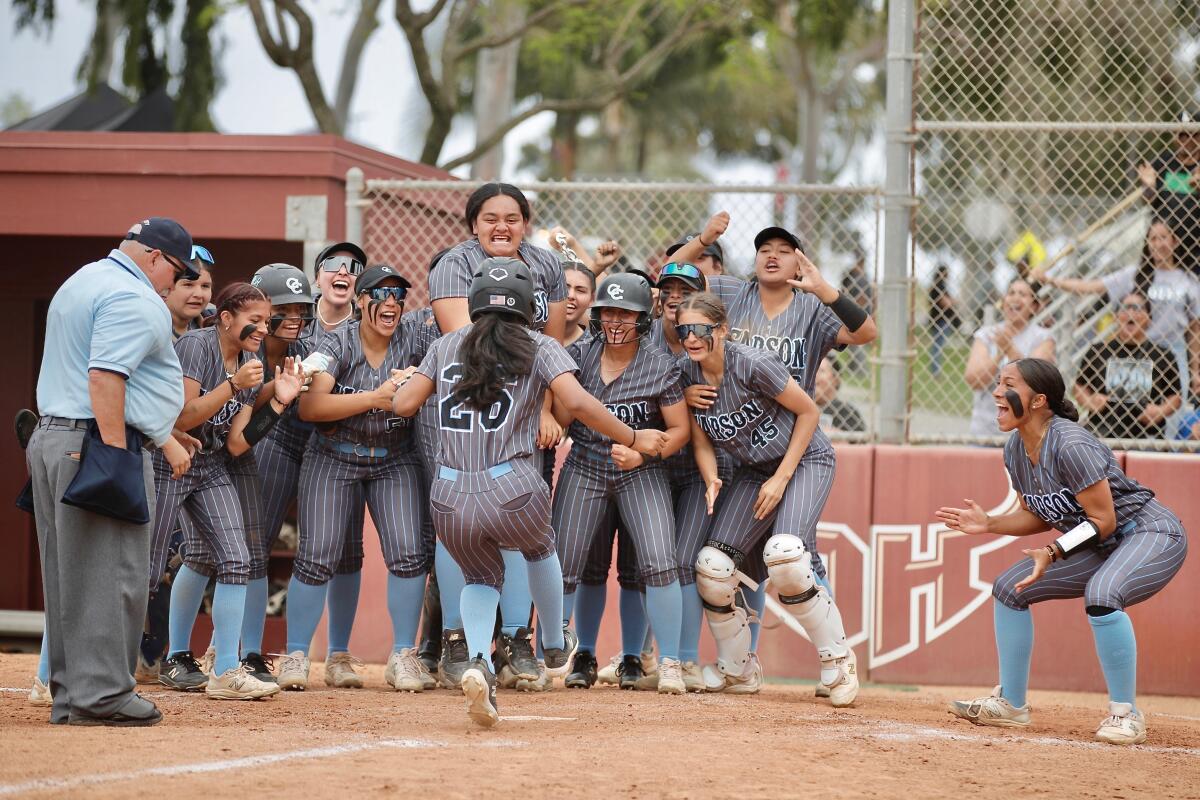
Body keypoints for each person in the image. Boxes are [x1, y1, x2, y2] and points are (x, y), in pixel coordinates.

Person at [390, 258, 670, 726]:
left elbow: (402, 404)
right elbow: (578, 403)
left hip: (450, 492)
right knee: (540, 549)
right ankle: (556, 639)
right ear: (527, 303)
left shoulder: (445, 344)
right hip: (512, 485)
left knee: (480, 577)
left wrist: (410, 381)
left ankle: (478, 659)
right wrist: (633, 437)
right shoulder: (540, 344)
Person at [670, 212, 877, 693]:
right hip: (747, 458)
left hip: (799, 451)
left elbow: (866, 334)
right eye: (765, 248)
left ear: (799, 261)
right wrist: (702, 239)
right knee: (715, 566)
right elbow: (672, 279)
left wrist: (824, 286)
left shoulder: (811, 308)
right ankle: (739, 668)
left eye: (784, 249)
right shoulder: (730, 296)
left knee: (787, 556)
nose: (772, 255)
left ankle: (837, 663)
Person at [937, 358, 1187, 745]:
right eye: (998, 384)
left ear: (1038, 401)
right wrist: (989, 523)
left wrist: (1053, 552)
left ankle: (1125, 714)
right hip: (1100, 543)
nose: (997, 393)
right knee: (1009, 588)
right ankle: (1012, 705)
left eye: (1008, 385)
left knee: (1102, 594)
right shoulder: (1016, 449)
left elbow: (1103, 520)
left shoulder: (1069, 443)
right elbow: (1037, 515)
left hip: (1148, 532)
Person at [30, 217, 196, 725]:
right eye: (178, 271)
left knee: (71, 579)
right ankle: (103, 696)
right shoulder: (135, 296)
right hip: (93, 439)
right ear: (154, 258)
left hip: (57, 436)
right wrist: (116, 453)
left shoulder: (84, 277)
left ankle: (75, 697)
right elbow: (105, 377)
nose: (177, 283)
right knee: (110, 575)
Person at [427, 183, 568, 687]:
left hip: (525, 412)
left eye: (512, 217)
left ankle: (512, 638)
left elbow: (551, 347)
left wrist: (548, 408)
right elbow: (469, 345)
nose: (502, 226)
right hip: (460, 406)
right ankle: (457, 640)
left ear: (526, 223)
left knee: (510, 526)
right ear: (473, 223)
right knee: (468, 524)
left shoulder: (547, 266)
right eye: (490, 218)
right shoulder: (453, 264)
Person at [281, 265, 432, 693]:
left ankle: (403, 654)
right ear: (361, 300)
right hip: (335, 455)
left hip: (394, 457)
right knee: (319, 554)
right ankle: (296, 654)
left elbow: (439, 371)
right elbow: (311, 408)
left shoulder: (415, 339)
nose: (391, 303)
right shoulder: (338, 340)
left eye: (399, 295)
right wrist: (378, 398)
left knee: (408, 552)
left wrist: (416, 381)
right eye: (381, 295)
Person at [154, 282, 300, 701]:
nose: (262, 328)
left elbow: (238, 442)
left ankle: (225, 670)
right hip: (172, 457)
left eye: (266, 322)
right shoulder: (198, 347)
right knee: (145, 568)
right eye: (253, 321)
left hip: (213, 462)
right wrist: (234, 385)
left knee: (235, 557)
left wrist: (278, 402)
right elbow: (181, 415)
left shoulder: (252, 359)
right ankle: (169, 657)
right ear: (226, 319)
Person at [551, 271, 692, 695]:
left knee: (658, 561)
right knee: (566, 564)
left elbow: (680, 430)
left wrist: (644, 453)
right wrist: (545, 412)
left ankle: (667, 662)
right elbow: (558, 408)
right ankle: (564, 655)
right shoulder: (580, 354)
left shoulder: (659, 364)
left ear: (643, 318)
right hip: (586, 463)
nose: (614, 321)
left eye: (625, 314)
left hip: (642, 471)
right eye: (607, 311)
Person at [1043, 220, 1200, 398]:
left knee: (1173, 410)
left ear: (1175, 241)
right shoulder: (1134, 274)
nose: (1158, 244)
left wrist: (1195, 371)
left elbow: (1195, 329)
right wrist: (1050, 280)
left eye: (1163, 238)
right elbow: (1090, 287)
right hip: (1142, 354)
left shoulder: (1188, 280)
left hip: (1174, 352)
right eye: (1153, 239)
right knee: (1134, 408)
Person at [1073, 292, 1181, 439]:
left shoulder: (1162, 355)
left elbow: (1175, 395)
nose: (1130, 313)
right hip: (1103, 433)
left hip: (1147, 436)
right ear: (1116, 317)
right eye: (1125, 308)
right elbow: (1079, 387)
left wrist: (1160, 411)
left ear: (1148, 318)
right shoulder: (1099, 351)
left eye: (1137, 308)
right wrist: (1091, 402)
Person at [965, 278, 1055, 437]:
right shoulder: (986, 334)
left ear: (1034, 306)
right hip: (985, 431)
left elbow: (1035, 381)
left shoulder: (1043, 338)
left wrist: (1009, 349)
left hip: (1026, 435)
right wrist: (999, 355)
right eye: (1011, 293)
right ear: (1004, 302)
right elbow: (973, 380)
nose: (1015, 298)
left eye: (1023, 294)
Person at [1136, 113, 1200, 275]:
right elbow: (1149, 200)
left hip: (1195, 244)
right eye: (1181, 135)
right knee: (1144, 284)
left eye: (1192, 134)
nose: (1186, 140)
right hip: (1163, 245)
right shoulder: (1163, 161)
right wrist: (1149, 186)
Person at [813, 357, 867, 433]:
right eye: (812, 371)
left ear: (836, 380)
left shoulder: (846, 411)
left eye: (821, 371)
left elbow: (859, 441)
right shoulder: (800, 407)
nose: (814, 376)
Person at [927, 264, 958, 378]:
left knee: (937, 346)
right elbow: (946, 303)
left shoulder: (938, 286)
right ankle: (935, 371)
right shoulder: (939, 286)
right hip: (940, 320)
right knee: (937, 346)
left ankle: (936, 369)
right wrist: (953, 302)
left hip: (938, 320)